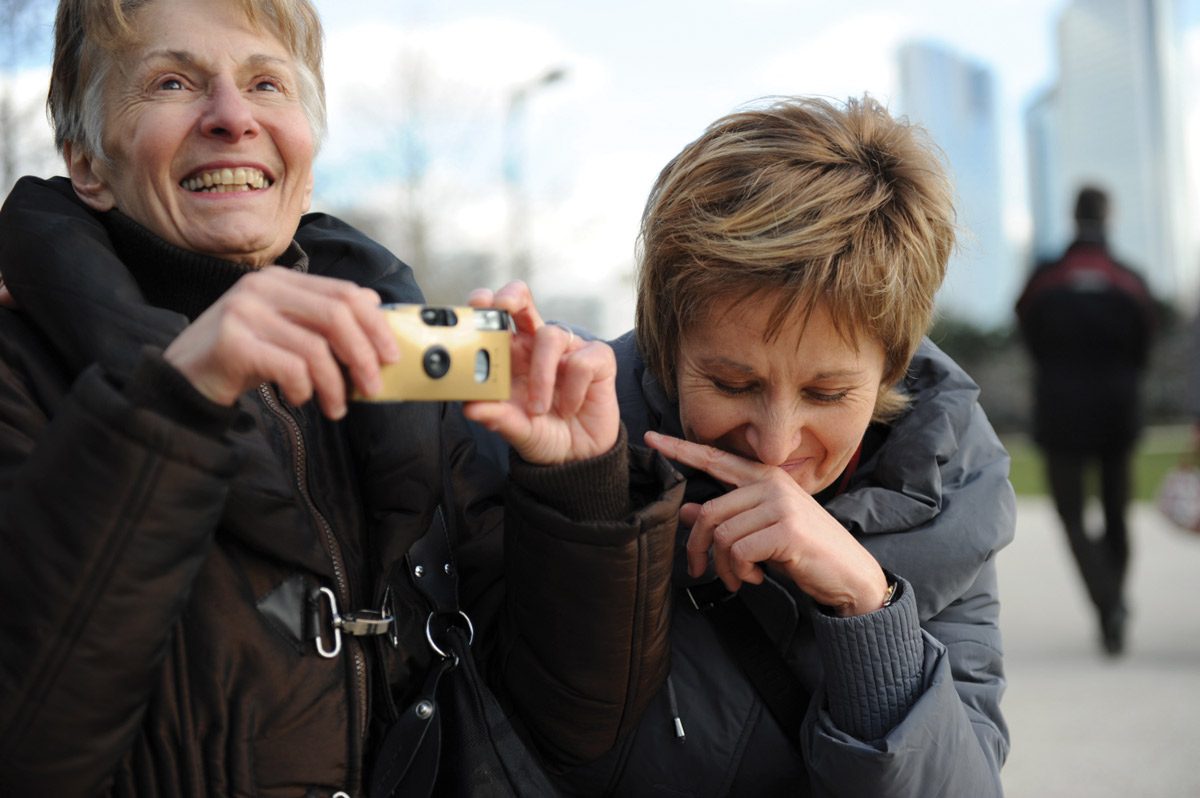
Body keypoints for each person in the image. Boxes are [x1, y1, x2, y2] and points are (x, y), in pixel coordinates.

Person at [0, 0, 682, 794]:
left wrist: (581, 489)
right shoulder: (21, 369)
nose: (232, 117)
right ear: (86, 160)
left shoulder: (415, 370)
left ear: (308, 151)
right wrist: (173, 406)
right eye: (172, 82)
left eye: (267, 84)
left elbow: (574, 727)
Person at [476, 96, 1015, 796]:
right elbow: (531, 742)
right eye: (733, 383)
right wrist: (580, 495)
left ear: (891, 367)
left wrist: (869, 608)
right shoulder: (562, 447)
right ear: (668, 349)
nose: (776, 442)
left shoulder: (944, 491)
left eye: (827, 394)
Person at [1015, 185, 1155, 656]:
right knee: (1117, 512)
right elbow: (1145, 345)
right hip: (1117, 407)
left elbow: (1027, 334)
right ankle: (1113, 603)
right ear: (1109, 214)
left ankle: (1108, 604)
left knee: (1071, 516)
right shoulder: (1129, 278)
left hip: (1060, 411)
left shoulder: (1045, 278)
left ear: (1073, 216)